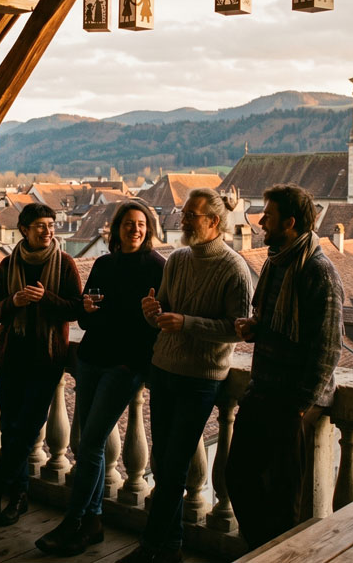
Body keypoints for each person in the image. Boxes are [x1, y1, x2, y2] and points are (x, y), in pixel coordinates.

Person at [119, 189, 252, 563]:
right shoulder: (177, 260)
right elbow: (163, 316)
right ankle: (171, 547)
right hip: (163, 368)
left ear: (214, 221)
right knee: (162, 463)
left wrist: (187, 323)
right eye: (184, 213)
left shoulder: (234, 268)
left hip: (200, 377)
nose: (183, 219)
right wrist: (151, 312)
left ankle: (150, 547)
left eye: (192, 214)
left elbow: (236, 329)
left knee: (175, 465)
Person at [35, 200, 166, 556]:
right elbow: (85, 315)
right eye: (129, 223)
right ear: (117, 228)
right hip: (91, 360)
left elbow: (156, 326)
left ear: (148, 230)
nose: (135, 229)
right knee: (85, 442)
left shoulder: (157, 267)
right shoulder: (104, 264)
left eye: (141, 224)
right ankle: (92, 522)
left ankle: (73, 521)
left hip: (123, 368)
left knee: (91, 443)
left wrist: (132, 365)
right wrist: (87, 309)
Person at [227, 184, 343, 550]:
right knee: (237, 476)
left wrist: (300, 405)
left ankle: (273, 554)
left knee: (283, 495)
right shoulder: (276, 262)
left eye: (268, 216)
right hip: (263, 389)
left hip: (291, 400)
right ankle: (261, 547)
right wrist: (254, 328)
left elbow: (328, 346)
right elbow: (275, 322)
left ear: (289, 223)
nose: (260, 222)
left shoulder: (319, 271)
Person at [0, 203, 83, 526]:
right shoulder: (9, 264)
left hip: (45, 360)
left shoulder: (64, 264)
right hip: (10, 358)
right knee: (11, 429)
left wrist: (45, 298)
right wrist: (14, 301)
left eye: (51, 225)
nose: (48, 231)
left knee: (27, 430)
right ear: (24, 230)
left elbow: (76, 309)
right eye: (40, 225)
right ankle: (18, 496)